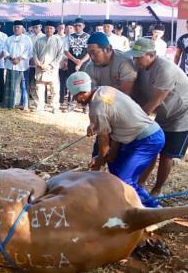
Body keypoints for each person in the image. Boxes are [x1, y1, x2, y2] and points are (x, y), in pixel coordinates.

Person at [66, 71, 164, 208]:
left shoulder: (98, 108)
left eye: (76, 96)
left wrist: (99, 159)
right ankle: (128, 203)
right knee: (114, 164)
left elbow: (104, 142)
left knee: (124, 180)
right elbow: (114, 118)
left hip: (147, 139)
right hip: (133, 136)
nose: (76, 100)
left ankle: (154, 208)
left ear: (81, 93)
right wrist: (96, 126)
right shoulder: (105, 89)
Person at [129, 38, 188, 197]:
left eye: (139, 56)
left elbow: (155, 101)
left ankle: (157, 189)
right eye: (134, 56)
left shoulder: (165, 69)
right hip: (162, 114)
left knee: (167, 154)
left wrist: (135, 120)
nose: (135, 60)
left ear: (151, 55)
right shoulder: (140, 67)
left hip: (182, 115)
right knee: (152, 148)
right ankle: (140, 184)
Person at [32, 21, 64, 113]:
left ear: (54, 30)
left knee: (54, 89)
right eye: (47, 28)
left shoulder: (58, 40)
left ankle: (54, 106)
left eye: (51, 28)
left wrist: (51, 65)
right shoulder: (39, 40)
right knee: (39, 88)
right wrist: (39, 64)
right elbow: (34, 53)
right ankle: (40, 106)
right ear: (44, 29)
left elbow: (60, 55)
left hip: (52, 69)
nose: (49, 30)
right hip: (40, 68)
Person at [1, 20, 32, 109]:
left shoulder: (27, 39)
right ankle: (9, 104)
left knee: (23, 86)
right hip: (11, 65)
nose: (16, 29)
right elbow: (5, 50)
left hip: (22, 66)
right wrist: (11, 58)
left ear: (22, 29)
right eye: (14, 27)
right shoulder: (9, 39)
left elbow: (29, 51)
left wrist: (19, 59)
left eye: (18, 27)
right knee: (10, 86)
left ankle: (24, 104)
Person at [64, 17, 89, 111]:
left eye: (79, 25)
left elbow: (89, 52)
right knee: (72, 82)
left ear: (83, 26)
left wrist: (81, 62)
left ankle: (85, 105)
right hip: (72, 62)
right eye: (76, 26)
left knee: (84, 83)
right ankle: (71, 103)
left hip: (85, 63)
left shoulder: (88, 37)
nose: (77, 27)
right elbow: (66, 51)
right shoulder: (69, 37)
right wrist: (75, 60)